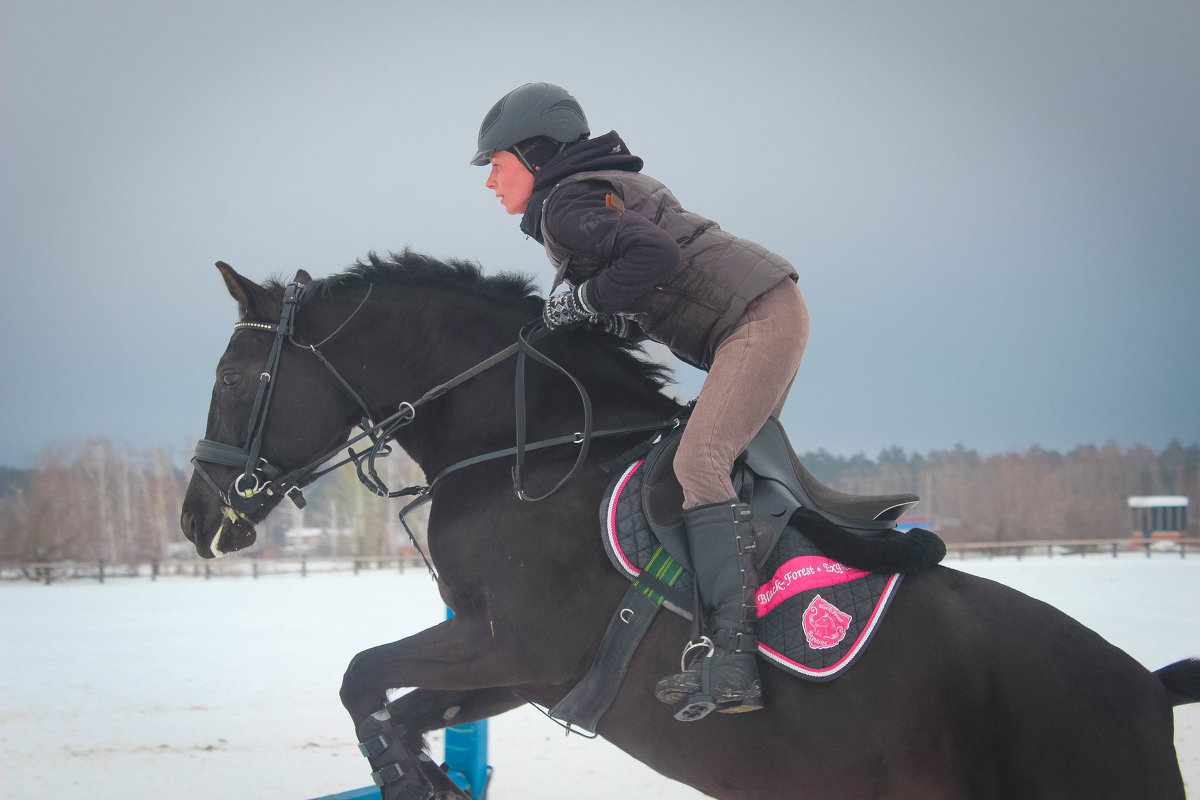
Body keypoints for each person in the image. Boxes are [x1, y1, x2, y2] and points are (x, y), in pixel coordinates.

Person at [472, 82, 809, 719]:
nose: (490, 182)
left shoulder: (567, 204)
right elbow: (652, 277)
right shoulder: (586, 194)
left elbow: (651, 254)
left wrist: (587, 301)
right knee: (721, 473)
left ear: (536, 156)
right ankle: (741, 632)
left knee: (699, 464)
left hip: (756, 320)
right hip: (764, 310)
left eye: (495, 164)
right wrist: (600, 311)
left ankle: (734, 656)